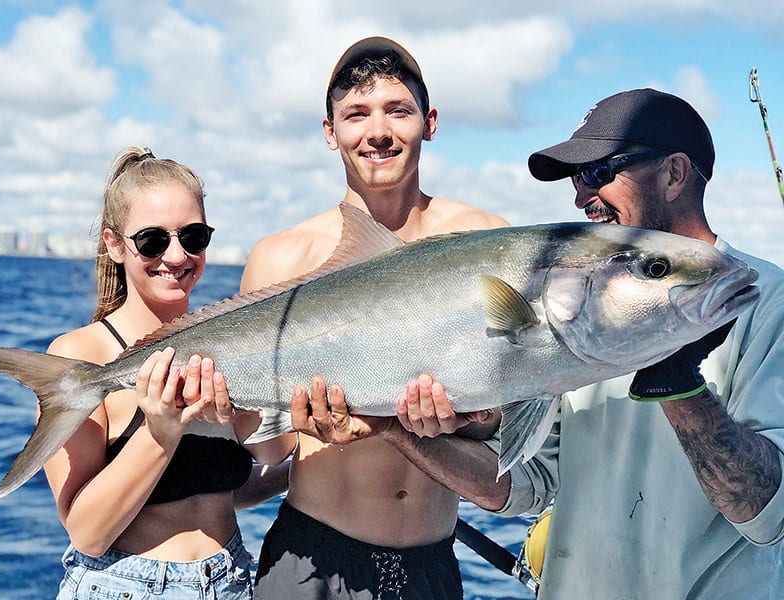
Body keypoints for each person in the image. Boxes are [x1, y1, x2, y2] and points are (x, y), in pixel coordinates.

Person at [480, 88, 784, 598]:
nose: (581, 197)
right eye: (578, 179)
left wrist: (678, 384)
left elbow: (765, 511)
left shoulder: (766, 299)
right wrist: (400, 431)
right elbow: (533, 479)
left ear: (673, 174)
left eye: (599, 172)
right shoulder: (585, 304)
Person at [240, 37, 508, 599]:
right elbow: (264, 448)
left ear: (429, 122)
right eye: (356, 114)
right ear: (329, 130)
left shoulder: (485, 240)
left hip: (434, 565)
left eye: (398, 110)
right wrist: (290, 426)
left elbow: (501, 424)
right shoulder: (281, 257)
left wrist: (468, 419)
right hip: (309, 561)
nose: (377, 131)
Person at [48, 146, 290, 599]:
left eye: (193, 236)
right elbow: (87, 533)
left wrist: (278, 433)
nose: (176, 255)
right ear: (114, 244)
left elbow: (263, 463)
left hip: (232, 579)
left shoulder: (227, 346)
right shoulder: (81, 355)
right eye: (153, 240)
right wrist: (160, 431)